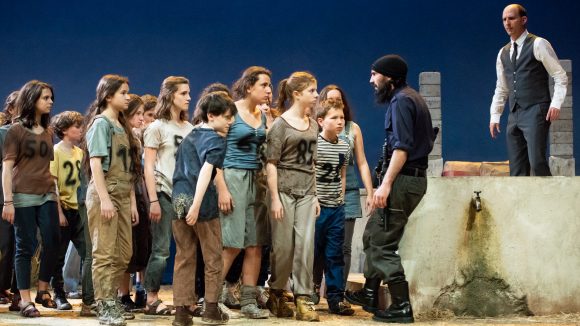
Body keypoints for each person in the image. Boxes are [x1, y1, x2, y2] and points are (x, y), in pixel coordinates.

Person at [346, 54, 435, 324]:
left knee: (383, 244)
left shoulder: (402, 101)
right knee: (373, 234)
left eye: (375, 74)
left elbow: (402, 148)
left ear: (390, 78)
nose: (371, 80)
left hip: (404, 179)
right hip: (407, 179)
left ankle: (402, 307)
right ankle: (371, 293)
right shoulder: (409, 98)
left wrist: (384, 185)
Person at [171, 91, 236, 326]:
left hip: (178, 200)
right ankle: (210, 309)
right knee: (213, 258)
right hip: (202, 206)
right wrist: (197, 206)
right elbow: (206, 172)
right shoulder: (217, 141)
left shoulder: (190, 135)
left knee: (184, 257)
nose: (231, 122)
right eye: (227, 117)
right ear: (211, 115)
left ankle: (181, 313)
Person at [83, 74, 141, 326]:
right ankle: (104, 303)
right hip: (104, 192)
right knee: (104, 253)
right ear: (108, 96)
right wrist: (105, 198)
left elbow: (128, 168)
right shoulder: (100, 124)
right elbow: (95, 163)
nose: (128, 97)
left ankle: (112, 297)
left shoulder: (120, 125)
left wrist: (131, 201)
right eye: (123, 93)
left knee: (124, 252)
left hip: (122, 194)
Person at [214, 66, 272, 319]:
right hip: (233, 176)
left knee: (255, 244)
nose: (269, 90)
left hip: (256, 180)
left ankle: (248, 301)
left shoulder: (263, 115)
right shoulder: (231, 110)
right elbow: (214, 153)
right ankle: (212, 298)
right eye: (264, 85)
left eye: (270, 85)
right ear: (249, 86)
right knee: (231, 244)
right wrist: (222, 188)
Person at [2, 80, 60, 318]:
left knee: (54, 240)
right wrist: (8, 201)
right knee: (25, 247)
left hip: (46, 193)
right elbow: (6, 169)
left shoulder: (48, 131)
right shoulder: (16, 130)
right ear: (32, 99)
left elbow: (48, 167)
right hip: (23, 195)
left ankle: (43, 288)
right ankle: (25, 300)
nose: (50, 102)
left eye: (51, 98)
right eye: (45, 98)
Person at [266, 71, 320, 321]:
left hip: (307, 192)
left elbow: (312, 163)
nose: (316, 95)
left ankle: (303, 297)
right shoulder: (280, 125)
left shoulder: (314, 125)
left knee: (306, 246)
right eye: (312, 90)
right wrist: (275, 197)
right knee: (284, 247)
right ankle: (276, 292)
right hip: (284, 192)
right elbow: (271, 163)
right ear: (297, 94)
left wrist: (316, 195)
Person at [489, 4, 568, 176]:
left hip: (536, 110)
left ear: (523, 20)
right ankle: (521, 203)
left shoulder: (538, 44)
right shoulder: (503, 52)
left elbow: (560, 76)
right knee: (516, 169)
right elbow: (502, 87)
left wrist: (556, 103)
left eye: (511, 18)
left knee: (537, 162)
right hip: (514, 113)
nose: (507, 23)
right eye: (504, 19)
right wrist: (495, 115)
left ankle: (548, 200)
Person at [312, 85, 374, 303]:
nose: (337, 104)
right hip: (320, 195)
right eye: (331, 101)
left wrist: (370, 191)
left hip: (344, 194)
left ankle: (335, 292)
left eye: (340, 101)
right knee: (318, 246)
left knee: (342, 247)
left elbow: (361, 162)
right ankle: (313, 289)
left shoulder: (351, 130)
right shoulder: (316, 136)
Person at [143, 76, 194, 315]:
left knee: (187, 250)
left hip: (186, 195)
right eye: (183, 93)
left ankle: (185, 297)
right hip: (164, 193)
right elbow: (149, 167)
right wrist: (153, 199)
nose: (188, 98)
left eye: (188, 93)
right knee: (161, 249)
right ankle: (151, 298)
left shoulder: (190, 129)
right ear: (170, 95)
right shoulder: (157, 127)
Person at [313, 98, 354, 316]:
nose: (340, 121)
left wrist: (341, 197)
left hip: (336, 207)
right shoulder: (314, 143)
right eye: (334, 118)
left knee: (335, 253)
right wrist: (313, 198)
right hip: (317, 207)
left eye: (342, 117)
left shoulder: (345, 144)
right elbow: (310, 173)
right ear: (321, 121)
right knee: (313, 251)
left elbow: (343, 173)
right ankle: (309, 292)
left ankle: (336, 298)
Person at [49, 110, 86, 311]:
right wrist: (59, 212)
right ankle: (59, 293)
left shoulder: (79, 152)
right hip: (63, 207)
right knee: (59, 254)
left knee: (88, 252)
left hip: (78, 208)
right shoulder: (55, 151)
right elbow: (53, 183)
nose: (80, 130)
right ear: (64, 130)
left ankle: (91, 294)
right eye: (76, 127)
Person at [118, 94, 151, 311]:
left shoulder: (137, 137)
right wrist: (131, 201)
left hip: (140, 193)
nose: (141, 118)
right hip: (127, 193)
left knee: (141, 245)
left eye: (142, 114)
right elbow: (127, 172)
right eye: (137, 114)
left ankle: (140, 288)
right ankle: (122, 294)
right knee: (125, 248)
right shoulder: (123, 136)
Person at [0, 91, 19, 308]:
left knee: (19, 245)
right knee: (5, 244)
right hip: (4, 195)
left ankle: (14, 289)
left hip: (24, 194)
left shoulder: (32, 133)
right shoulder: (3, 133)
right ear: (11, 109)